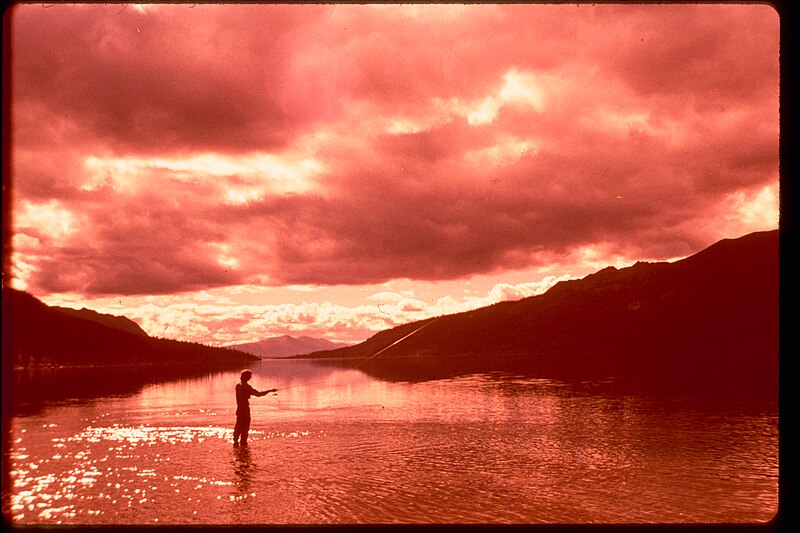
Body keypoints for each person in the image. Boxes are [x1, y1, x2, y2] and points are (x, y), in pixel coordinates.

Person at [233, 370, 277, 447]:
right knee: (245, 427)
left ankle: (236, 443)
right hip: (245, 410)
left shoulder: (238, 386)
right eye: (249, 376)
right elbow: (259, 394)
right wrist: (270, 390)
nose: (250, 377)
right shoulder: (246, 387)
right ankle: (243, 444)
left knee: (238, 425)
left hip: (239, 409)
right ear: (246, 377)